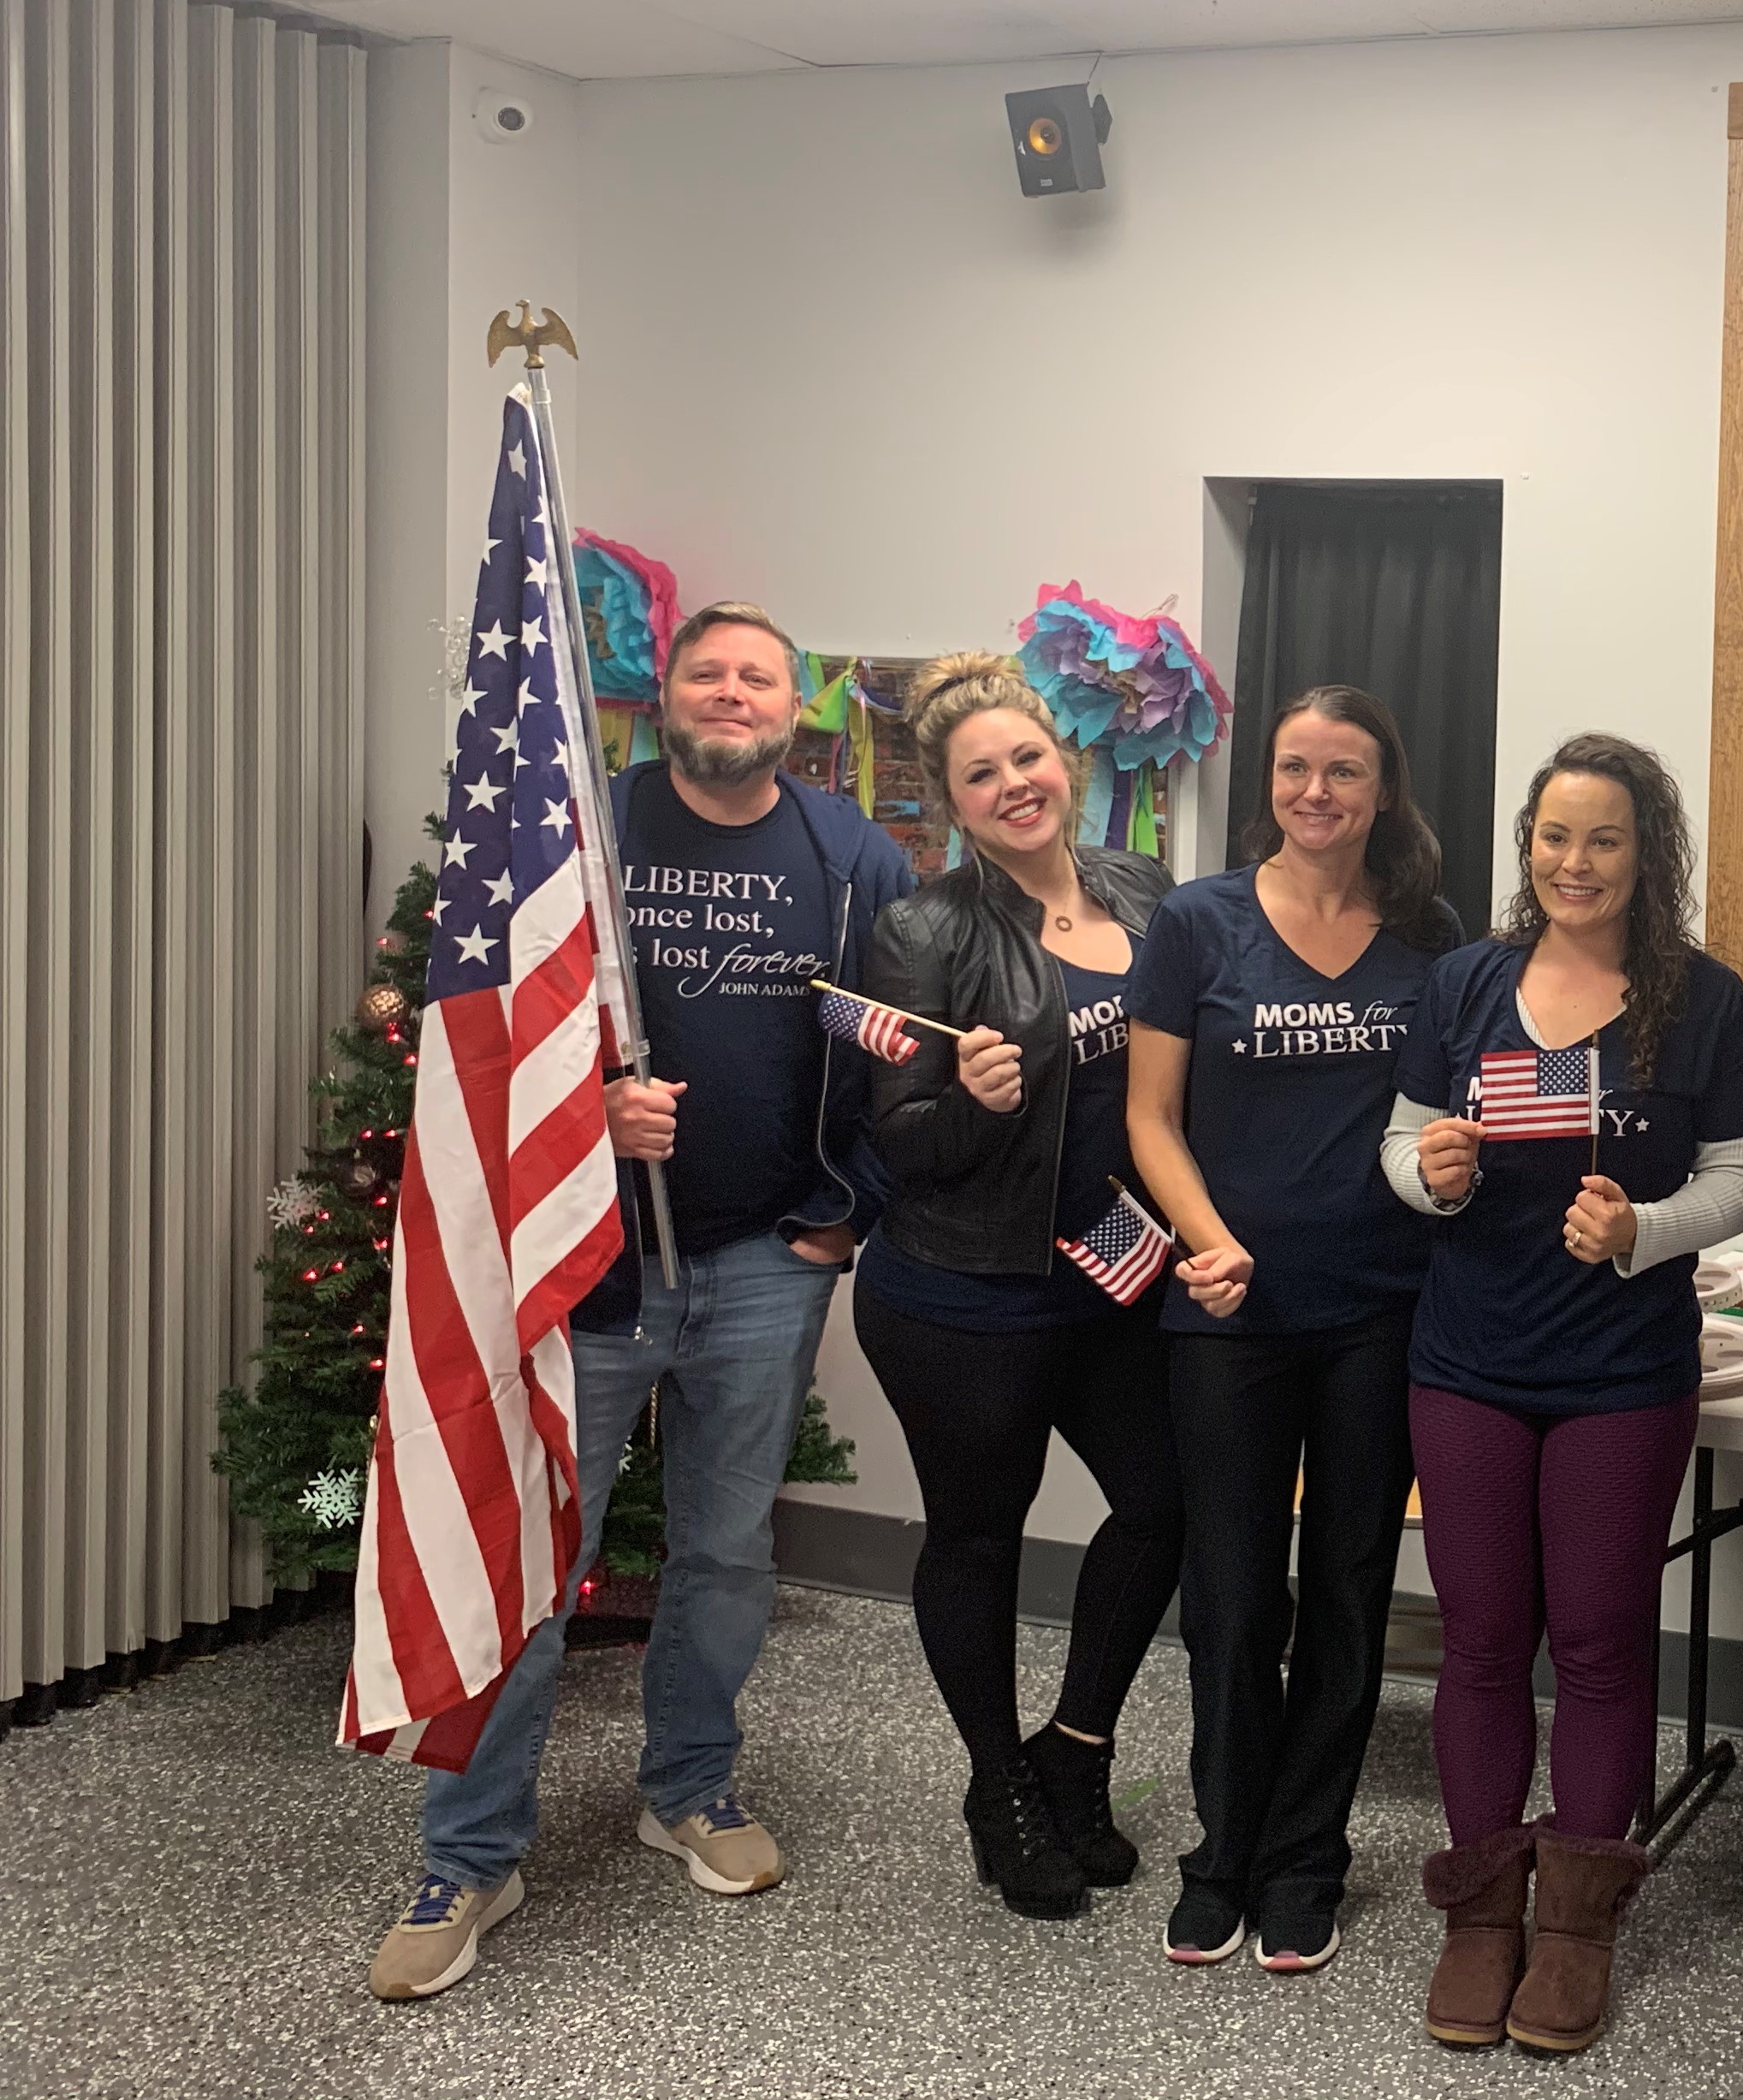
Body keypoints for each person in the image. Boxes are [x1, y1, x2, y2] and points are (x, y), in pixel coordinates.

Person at [371, 602, 911, 2001]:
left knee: (724, 1553)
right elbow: (486, 1028)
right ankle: (472, 1853)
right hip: (584, 1266)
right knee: (533, 1562)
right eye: (707, 672)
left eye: (759, 677)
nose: (732, 693)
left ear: (795, 708)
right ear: (662, 695)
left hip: (761, 1264)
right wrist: (585, 1122)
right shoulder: (576, 834)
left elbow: (893, 1052)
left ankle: (689, 1788)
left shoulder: (849, 856)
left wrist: (843, 1211)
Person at [1384, 733, 1743, 2054]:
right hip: (1468, 1365)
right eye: (1556, 836)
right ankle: (1481, 1914)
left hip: (1622, 1373)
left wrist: (1643, 1231)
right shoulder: (1466, 982)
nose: (1576, 862)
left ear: (1645, 853)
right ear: (1528, 845)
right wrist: (1430, 1175)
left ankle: (1576, 1928)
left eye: (1605, 839)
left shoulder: (1702, 999)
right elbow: (1401, 1140)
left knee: (1602, 1644)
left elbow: (1741, 1174)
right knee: (1484, 1641)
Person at [1129, 685, 1462, 1976]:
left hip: (1382, 1311)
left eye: (1344, 771)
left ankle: (1307, 1858)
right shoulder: (1196, 922)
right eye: (1293, 767)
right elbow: (1151, 1117)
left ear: (1384, 790)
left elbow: (1445, 1120)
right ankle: (1224, 1852)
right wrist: (1204, 1240)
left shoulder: (1429, 935)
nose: (1315, 792)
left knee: (1347, 1592)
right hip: (1228, 1314)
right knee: (1230, 1599)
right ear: (1267, 781)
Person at [851, 653, 1187, 1921]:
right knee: (979, 1538)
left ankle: (1076, 1750)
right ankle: (998, 1788)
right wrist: (975, 1104)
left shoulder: (1144, 891)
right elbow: (902, 1141)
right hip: (964, 1292)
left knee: (1163, 1503)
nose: (1014, 785)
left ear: (1067, 760)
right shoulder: (923, 931)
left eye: (1026, 757)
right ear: (952, 803)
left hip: (1114, 1274)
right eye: (980, 774)